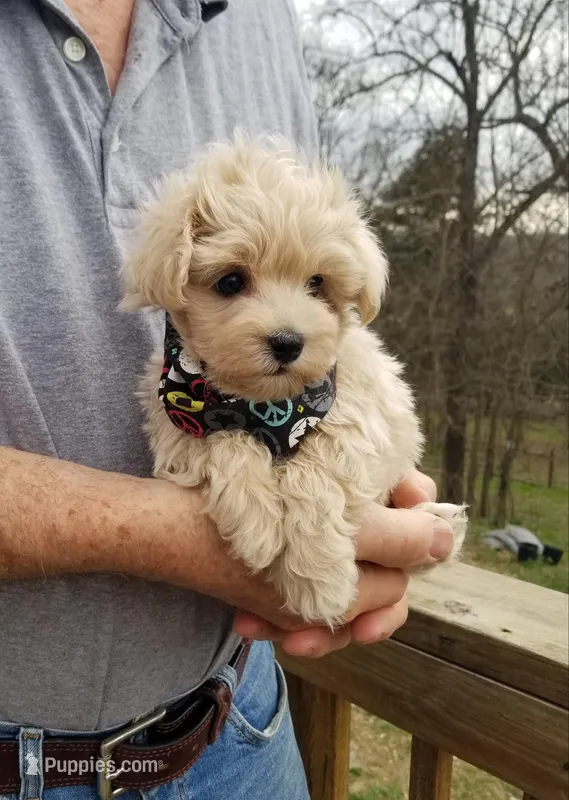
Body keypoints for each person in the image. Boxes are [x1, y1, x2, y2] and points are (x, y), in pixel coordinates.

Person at [0, 1, 455, 798]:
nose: (284, 322)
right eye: (231, 282)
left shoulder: (259, 18)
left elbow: (360, 411)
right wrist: (192, 533)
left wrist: (368, 516)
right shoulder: (175, 380)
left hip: (237, 730)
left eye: (313, 289)